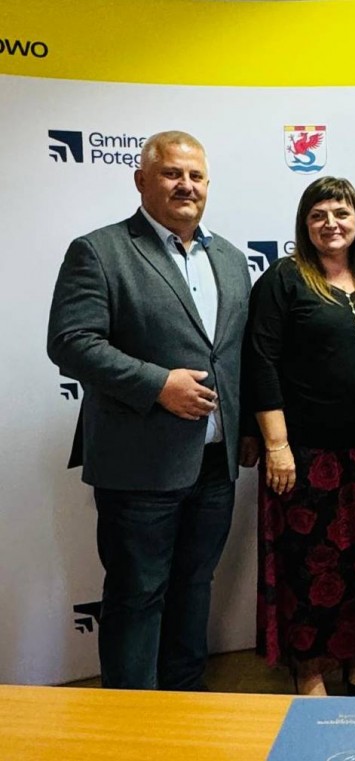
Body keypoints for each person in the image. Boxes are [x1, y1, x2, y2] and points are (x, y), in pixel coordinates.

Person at [47, 130, 255, 690]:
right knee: (137, 596)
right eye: (172, 173)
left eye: (196, 176)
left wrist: (250, 429)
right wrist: (158, 384)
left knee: (195, 588)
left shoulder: (231, 258)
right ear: (141, 180)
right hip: (138, 466)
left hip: (214, 464)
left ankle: (184, 703)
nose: (186, 185)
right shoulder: (100, 250)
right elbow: (70, 341)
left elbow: (237, 353)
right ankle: (132, 717)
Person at [245, 176, 355, 696]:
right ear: (305, 224)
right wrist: (276, 446)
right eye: (318, 215)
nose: (331, 224)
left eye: (341, 213)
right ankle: (310, 669)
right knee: (310, 567)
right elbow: (261, 362)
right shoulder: (284, 280)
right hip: (304, 454)